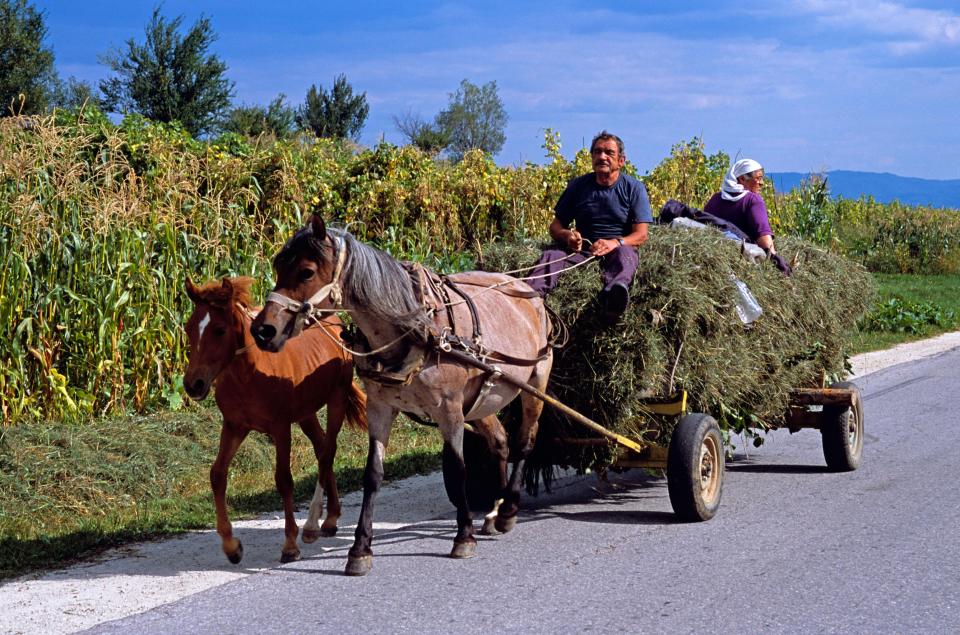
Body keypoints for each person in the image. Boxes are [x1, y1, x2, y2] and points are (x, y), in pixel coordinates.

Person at [527, 131, 653, 321]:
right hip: (581, 253)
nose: (602, 157)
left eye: (609, 153)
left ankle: (614, 297)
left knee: (626, 255)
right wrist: (567, 236)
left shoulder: (633, 188)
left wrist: (615, 243)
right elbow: (555, 225)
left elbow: (641, 234)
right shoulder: (578, 186)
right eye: (597, 152)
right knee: (551, 256)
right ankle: (528, 300)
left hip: (616, 251)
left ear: (621, 160)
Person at [703, 158, 792, 275]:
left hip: (714, 257)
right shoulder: (752, 200)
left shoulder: (715, 199)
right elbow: (764, 240)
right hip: (742, 262)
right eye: (758, 178)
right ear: (742, 179)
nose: (762, 183)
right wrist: (778, 264)